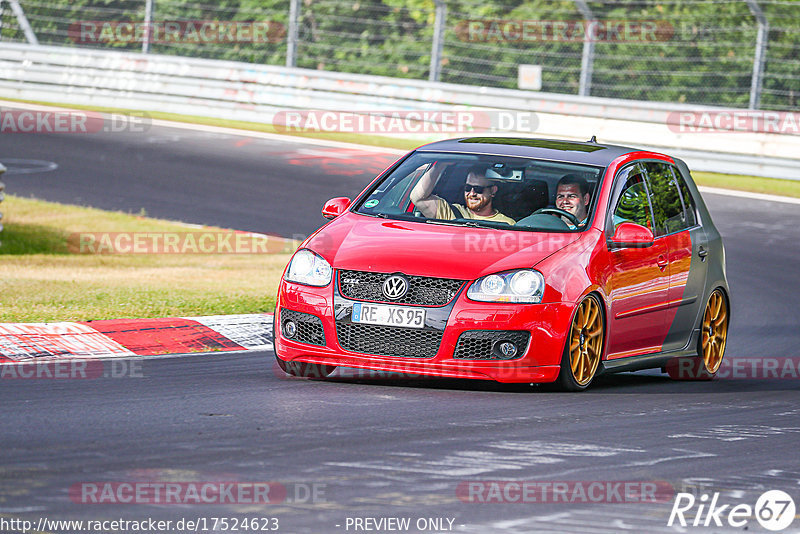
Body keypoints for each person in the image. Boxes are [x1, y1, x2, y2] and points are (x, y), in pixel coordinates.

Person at [410, 162, 515, 224]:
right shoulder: (450, 212)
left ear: (493, 191)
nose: (472, 193)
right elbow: (418, 197)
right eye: (468, 188)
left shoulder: (507, 223)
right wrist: (441, 165)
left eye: (478, 189)